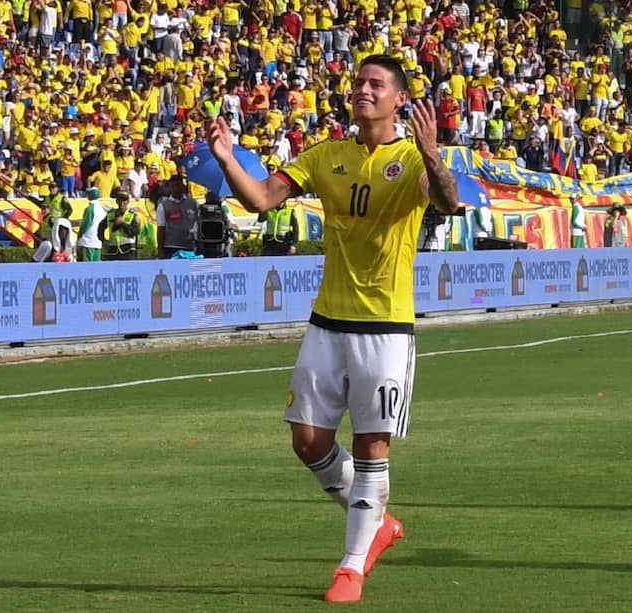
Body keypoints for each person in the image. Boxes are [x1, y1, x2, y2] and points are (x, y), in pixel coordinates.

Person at [207, 54, 459, 603]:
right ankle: (378, 524)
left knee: (371, 444)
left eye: (375, 84)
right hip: (327, 322)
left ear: (398, 100)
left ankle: (351, 566)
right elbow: (261, 199)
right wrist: (228, 159)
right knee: (306, 440)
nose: (363, 90)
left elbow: (447, 199)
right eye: (358, 82)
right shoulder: (326, 156)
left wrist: (434, 155)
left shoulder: (414, 161)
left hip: (386, 327)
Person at [156, 174, 199, 258]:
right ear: (170, 188)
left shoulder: (193, 203)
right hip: (171, 247)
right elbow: (161, 228)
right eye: (173, 186)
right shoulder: (163, 205)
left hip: (190, 247)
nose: (175, 188)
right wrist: (160, 250)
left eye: (178, 185)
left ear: (183, 186)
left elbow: (199, 222)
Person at [104, 190, 140, 260]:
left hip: (128, 250)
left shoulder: (133, 215)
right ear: (116, 202)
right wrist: (103, 240)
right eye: (119, 200)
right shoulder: (110, 215)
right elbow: (100, 228)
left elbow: (136, 232)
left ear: (128, 202)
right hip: (113, 251)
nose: (122, 203)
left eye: (124, 200)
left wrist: (123, 224)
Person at [76, 187, 108, 262]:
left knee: (86, 268)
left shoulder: (90, 208)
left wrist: (79, 235)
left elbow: (85, 224)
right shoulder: (102, 209)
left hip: (88, 242)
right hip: (98, 243)